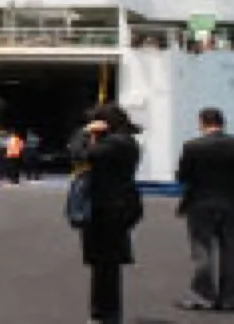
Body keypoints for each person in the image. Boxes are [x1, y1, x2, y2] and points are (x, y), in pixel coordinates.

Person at [175, 107, 234, 311]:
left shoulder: (192, 146)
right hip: (231, 203)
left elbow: (183, 177)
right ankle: (228, 298)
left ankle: (203, 296)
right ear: (222, 122)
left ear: (202, 122)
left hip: (200, 203)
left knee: (202, 250)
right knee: (229, 252)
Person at [78, 104, 143, 324]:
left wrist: (84, 133)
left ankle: (105, 314)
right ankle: (104, 312)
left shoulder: (115, 143)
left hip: (108, 208)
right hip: (119, 205)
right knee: (106, 264)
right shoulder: (124, 141)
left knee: (105, 264)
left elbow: (80, 154)